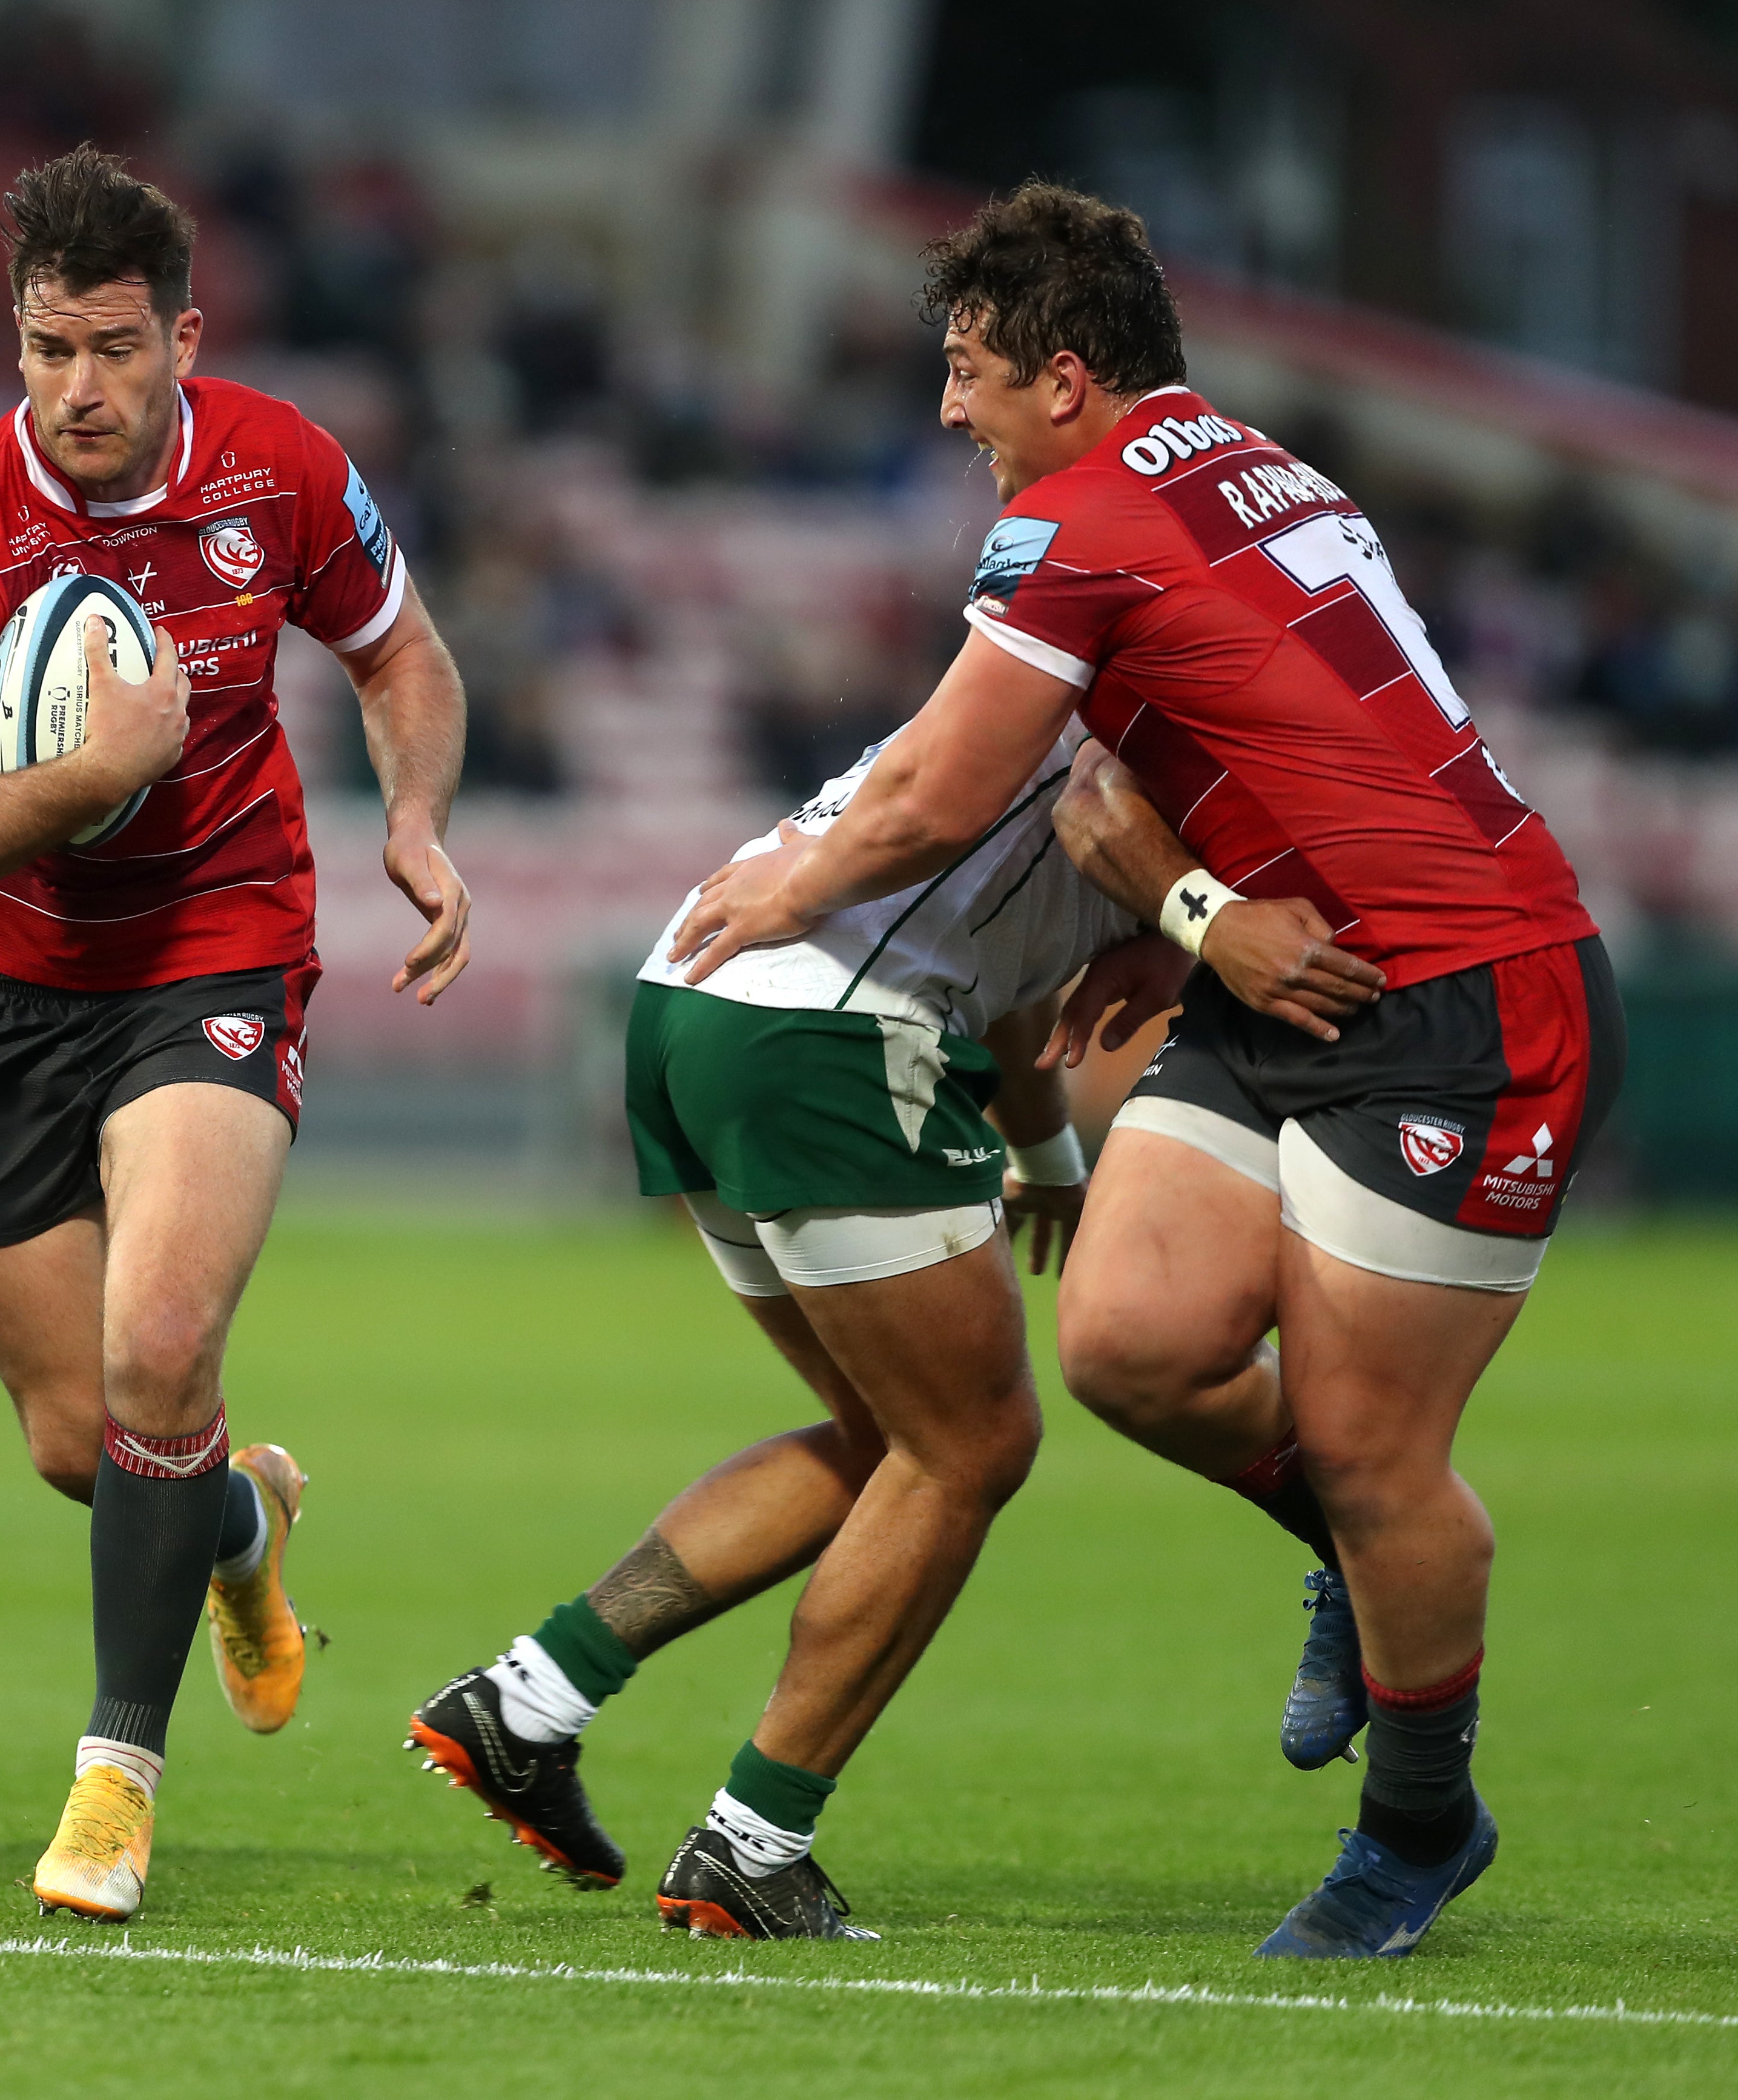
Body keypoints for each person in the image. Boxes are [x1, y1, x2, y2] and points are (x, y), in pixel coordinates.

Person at [671, 183, 1617, 1960]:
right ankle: (1345, 1553)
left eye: (972, 376)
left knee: (1372, 1442)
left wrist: (782, 883)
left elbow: (954, 794)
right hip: (1283, 975)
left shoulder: (1082, 522)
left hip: (1466, 990)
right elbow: (1152, 797)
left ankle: (1418, 1826)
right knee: (1129, 1342)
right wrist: (1197, 913)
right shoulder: (1257, 469)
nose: (952, 415)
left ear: (1071, 377)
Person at [0, 148, 473, 1922]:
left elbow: (405, 654)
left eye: (115, 348)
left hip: (218, 946)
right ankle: (243, 1527)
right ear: (15, 340)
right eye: (48, 349)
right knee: (83, 1440)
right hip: (10, 992)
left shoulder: (281, 468)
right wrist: (90, 777)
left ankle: (114, 1781)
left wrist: (414, 816)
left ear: (184, 335)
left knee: (161, 1345)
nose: (80, 390)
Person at [410, 725, 1132, 1939]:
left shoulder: (1040, 706)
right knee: (969, 1447)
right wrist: (1213, 921)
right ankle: (754, 1843)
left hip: (697, 997)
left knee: (888, 1440)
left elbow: (1010, 994)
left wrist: (1050, 1157)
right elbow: (1109, 812)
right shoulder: (1148, 725)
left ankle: (528, 1703)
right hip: (828, 1034)